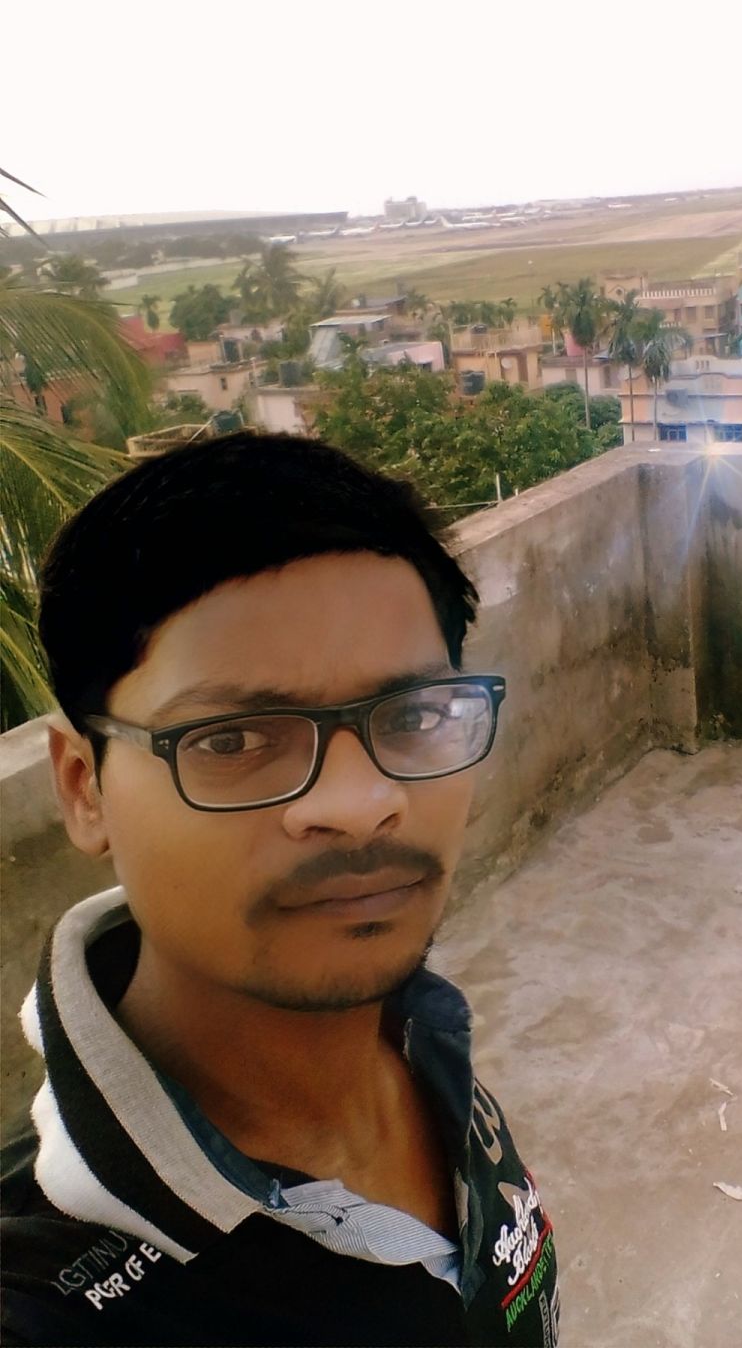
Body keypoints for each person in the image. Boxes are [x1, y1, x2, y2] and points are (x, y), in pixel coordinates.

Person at [1, 433, 559, 1347]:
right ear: (82, 787)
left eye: (415, 714)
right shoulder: (54, 1295)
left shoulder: (423, 1038)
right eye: (232, 740)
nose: (361, 805)